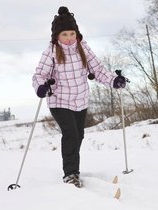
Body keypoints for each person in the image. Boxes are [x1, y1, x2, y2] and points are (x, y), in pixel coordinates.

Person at [32, 6, 127, 188]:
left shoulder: (83, 48)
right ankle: (70, 174)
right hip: (59, 100)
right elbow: (39, 75)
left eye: (71, 34)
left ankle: (73, 169)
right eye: (64, 35)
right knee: (71, 135)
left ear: (76, 34)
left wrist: (114, 81)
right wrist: (40, 87)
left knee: (79, 135)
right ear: (57, 36)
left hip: (80, 100)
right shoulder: (51, 51)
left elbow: (97, 69)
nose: (68, 38)